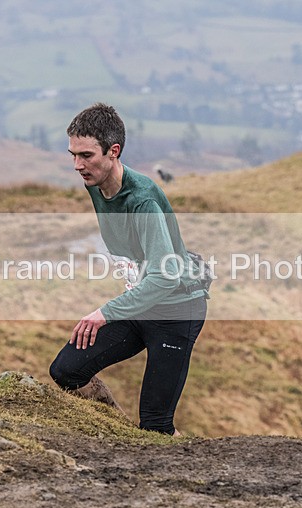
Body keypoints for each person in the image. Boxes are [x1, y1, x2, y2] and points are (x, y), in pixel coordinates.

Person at [49, 103, 209, 436]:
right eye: (73, 155)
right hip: (141, 304)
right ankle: (121, 432)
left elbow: (166, 276)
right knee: (66, 371)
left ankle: (176, 459)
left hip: (177, 310)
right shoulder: (96, 182)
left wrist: (104, 313)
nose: (77, 165)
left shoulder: (143, 201)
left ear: (114, 151)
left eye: (87, 155)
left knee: (156, 426)